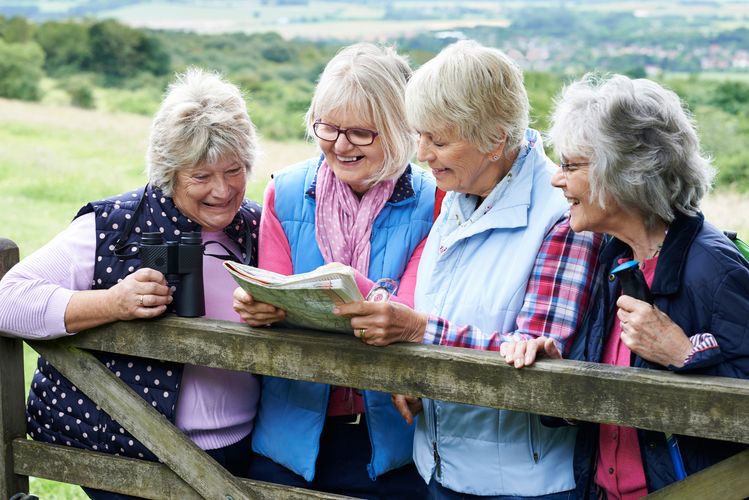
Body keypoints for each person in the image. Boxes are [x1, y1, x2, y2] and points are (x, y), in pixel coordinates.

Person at [335, 40, 602, 498]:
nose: (422, 153)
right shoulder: (461, 192)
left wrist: (419, 331)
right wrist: (413, 372)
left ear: (495, 138)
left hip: (521, 484)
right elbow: (445, 314)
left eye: (438, 140)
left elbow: (538, 356)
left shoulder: (563, 216)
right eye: (419, 134)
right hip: (441, 469)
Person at [0, 68, 262, 499]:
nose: (222, 190)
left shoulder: (256, 226)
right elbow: (8, 301)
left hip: (242, 450)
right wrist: (111, 303)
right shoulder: (115, 225)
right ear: (168, 172)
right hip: (128, 454)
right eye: (200, 177)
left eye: (234, 171)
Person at [501, 74, 749, 499]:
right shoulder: (613, 259)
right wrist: (559, 365)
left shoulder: (716, 268)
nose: (556, 180)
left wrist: (684, 354)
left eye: (571, 166)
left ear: (626, 171)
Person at [232, 43, 435, 498]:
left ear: (400, 127)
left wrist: (344, 281)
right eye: (328, 127)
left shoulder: (435, 200)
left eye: (361, 132)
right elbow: (276, 295)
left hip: (393, 442)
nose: (340, 145)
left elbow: (409, 312)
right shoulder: (283, 192)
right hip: (291, 438)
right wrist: (259, 307)